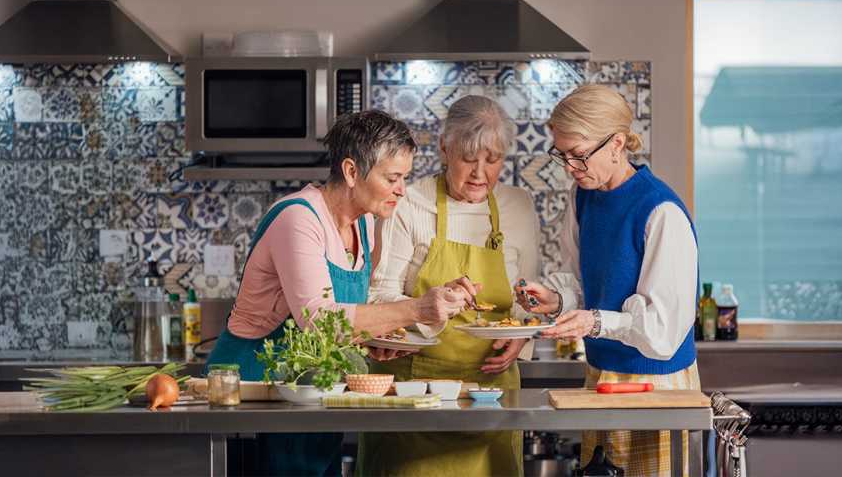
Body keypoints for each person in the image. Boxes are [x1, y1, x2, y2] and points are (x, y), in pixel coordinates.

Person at [204, 110, 469, 476]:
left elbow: (350, 315)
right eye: (392, 178)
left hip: (313, 394)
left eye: (404, 178)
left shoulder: (364, 224)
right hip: (253, 397)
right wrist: (419, 309)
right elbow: (320, 319)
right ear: (351, 171)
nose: (401, 190)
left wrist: (372, 337)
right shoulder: (298, 219)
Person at [515, 84, 700, 477]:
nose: (569, 167)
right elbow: (588, 283)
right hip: (600, 377)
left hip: (655, 386)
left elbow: (662, 333)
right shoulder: (583, 197)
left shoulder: (661, 211)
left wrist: (594, 321)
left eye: (579, 156)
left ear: (617, 144)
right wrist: (558, 299)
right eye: (562, 155)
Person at [357, 95, 541, 476]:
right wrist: (427, 306)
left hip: (491, 397)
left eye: (492, 160)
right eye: (468, 159)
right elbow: (377, 295)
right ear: (444, 147)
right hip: (415, 395)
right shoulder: (409, 202)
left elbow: (528, 297)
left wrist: (522, 338)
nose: (480, 173)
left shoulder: (518, 206)